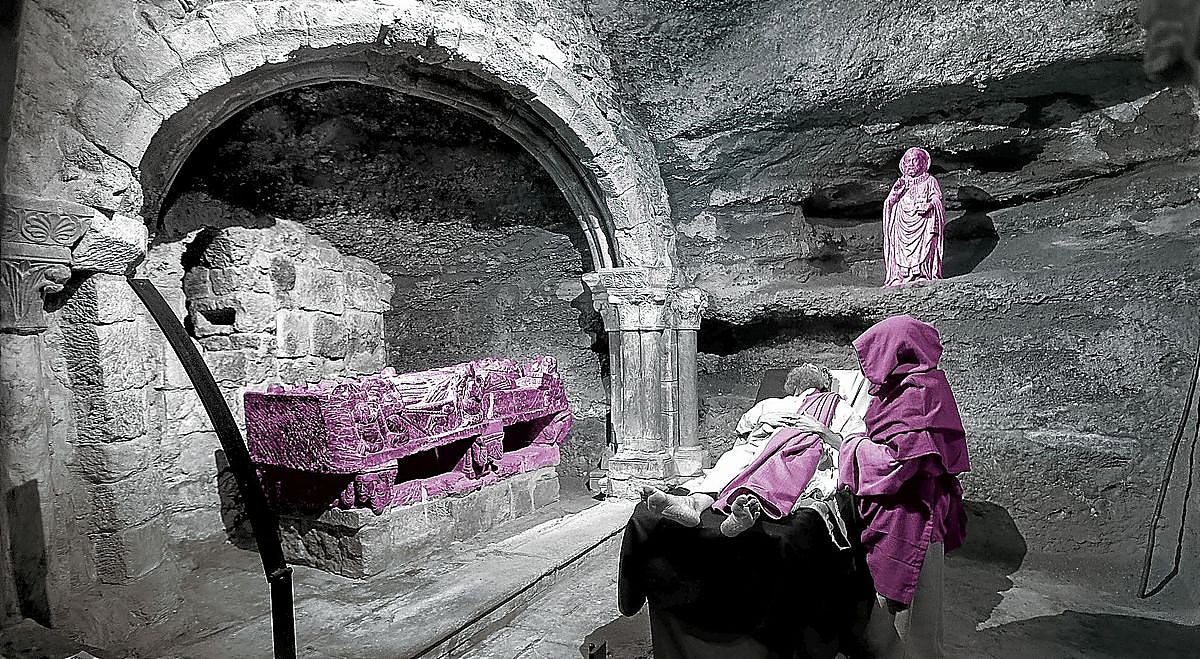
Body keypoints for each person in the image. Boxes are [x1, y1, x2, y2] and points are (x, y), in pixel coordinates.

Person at [794, 314, 970, 658]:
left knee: (907, 628)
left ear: (895, 352)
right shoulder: (898, 390)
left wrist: (846, 443)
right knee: (895, 623)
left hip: (912, 516)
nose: (867, 368)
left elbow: (899, 462)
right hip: (894, 511)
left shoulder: (920, 394)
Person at [641, 363, 867, 537]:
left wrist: (822, 431)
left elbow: (854, 448)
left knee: (760, 463)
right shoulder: (772, 404)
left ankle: (746, 509)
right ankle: (695, 505)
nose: (809, 372)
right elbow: (743, 431)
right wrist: (766, 424)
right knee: (736, 458)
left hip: (807, 451)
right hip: (761, 445)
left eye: (815, 372)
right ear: (794, 386)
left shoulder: (839, 408)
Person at [883, 147, 946, 288]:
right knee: (899, 248)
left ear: (923, 163)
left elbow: (937, 198)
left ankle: (922, 274)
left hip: (923, 223)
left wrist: (929, 205)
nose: (910, 164)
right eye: (907, 161)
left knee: (926, 246)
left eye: (914, 160)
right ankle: (900, 275)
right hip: (902, 225)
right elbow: (889, 203)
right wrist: (895, 193)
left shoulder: (930, 181)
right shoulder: (901, 183)